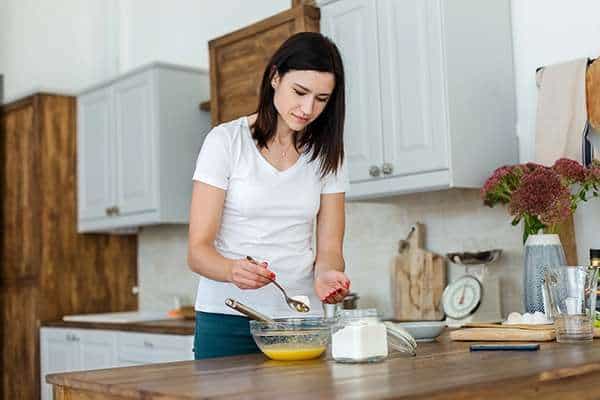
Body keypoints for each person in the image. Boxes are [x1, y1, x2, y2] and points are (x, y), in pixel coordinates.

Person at [187, 32, 350, 360]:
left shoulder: (327, 155)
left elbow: (330, 249)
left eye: (321, 99)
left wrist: (327, 275)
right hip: (228, 318)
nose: (308, 109)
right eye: (300, 92)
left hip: (300, 322)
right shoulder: (226, 142)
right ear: (275, 77)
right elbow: (197, 251)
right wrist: (231, 269)